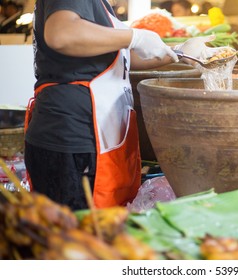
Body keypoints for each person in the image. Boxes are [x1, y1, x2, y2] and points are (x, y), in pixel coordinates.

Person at [25, 0, 180, 210]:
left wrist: (179, 54)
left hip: (96, 137)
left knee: (100, 231)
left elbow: (120, 58)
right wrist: (135, 36)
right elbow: (62, 34)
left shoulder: (101, 5)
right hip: (73, 140)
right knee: (77, 235)